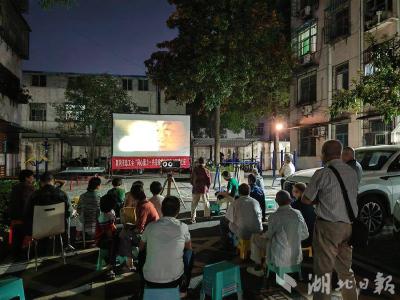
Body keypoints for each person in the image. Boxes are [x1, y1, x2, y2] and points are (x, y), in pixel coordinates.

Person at [302, 140, 359, 300]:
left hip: (328, 228)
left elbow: (306, 199)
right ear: (340, 153)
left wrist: (318, 201)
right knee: (345, 270)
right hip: (348, 226)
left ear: (324, 154)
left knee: (323, 271)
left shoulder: (322, 173)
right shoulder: (352, 172)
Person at [139, 196, 193, 297]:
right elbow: (189, 248)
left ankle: (142, 286)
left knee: (142, 252)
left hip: (149, 279)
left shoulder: (150, 226)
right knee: (190, 253)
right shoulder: (183, 227)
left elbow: (141, 247)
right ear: (178, 211)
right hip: (174, 280)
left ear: (162, 210)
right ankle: (183, 289)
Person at [248, 190, 309, 277]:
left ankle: (259, 267)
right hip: (296, 257)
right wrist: (293, 238)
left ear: (276, 201)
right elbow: (305, 234)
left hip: (279, 258)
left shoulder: (274, 216)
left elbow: (269, 235)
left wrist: (263, 235)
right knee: (275, 240)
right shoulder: (297, 213)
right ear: (290, 200)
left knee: (255, 237)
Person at [27, 172, 72, 237]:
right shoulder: (62, 194)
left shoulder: (34, 195)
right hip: (58, 229)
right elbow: (69, 213)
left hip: (38, 229)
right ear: (53, 181)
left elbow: (28, 213)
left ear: (41, 182)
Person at [8, 170, 35, 259]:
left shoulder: (15, 187)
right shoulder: (30, 188)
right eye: (32, 176)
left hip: (14, 218)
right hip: (24, 219)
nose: (33, 178)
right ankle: (25, 253)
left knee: (16, 238)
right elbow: (28, 205)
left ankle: (15, 254)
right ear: (27, 178)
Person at [95, 193, 118, 279]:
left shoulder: (111, 211)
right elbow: (109, 234)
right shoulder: (103, 217)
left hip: (109, 234)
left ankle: (123, 262)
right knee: (114, 243)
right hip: (101, 239)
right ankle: (110, 267)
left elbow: (112, 226)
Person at [291, 182, 315, 247]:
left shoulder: (294, 205)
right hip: (312, 238)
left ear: (301, 192)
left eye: (295, 192)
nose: (293, 194)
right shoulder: (312, 203)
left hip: (300, 239)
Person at [118, 193, 137, 271]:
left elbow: (123, 223)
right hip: (136, 232)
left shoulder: (123, 210)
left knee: (123, 235)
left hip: (133, 233)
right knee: (124, 235)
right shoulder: (137, 208)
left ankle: (128, 264)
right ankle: (129, 263)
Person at [190, 157, 211, 223]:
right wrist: (208, 187)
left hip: (196, 189)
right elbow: (209, 181)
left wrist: (194, 185)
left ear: (198, 162)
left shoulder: (194, 170)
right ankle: (207, 216)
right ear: (204, 163)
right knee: (206, 202)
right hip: (204, 189)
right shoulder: (206, 170)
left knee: (194, 204)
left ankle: (193, 218)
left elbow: (191, 179)